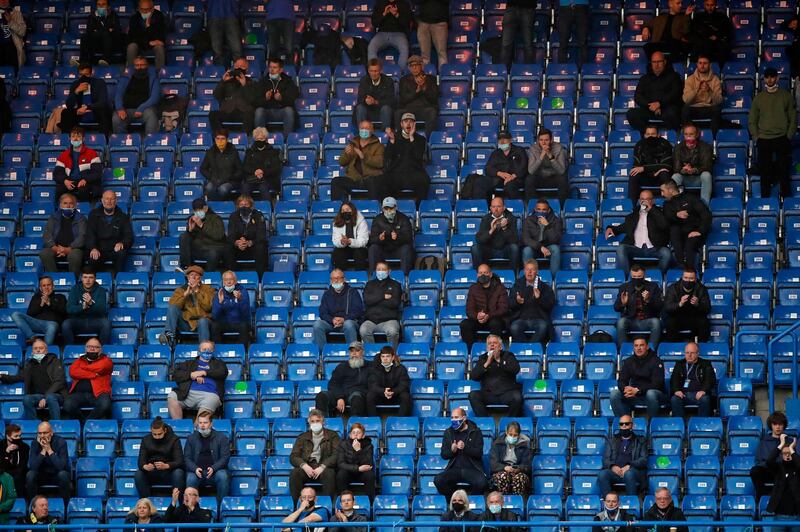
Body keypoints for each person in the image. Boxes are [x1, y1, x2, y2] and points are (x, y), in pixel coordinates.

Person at [748, 67, 797, 199]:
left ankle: (786, 200)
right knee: (765, 172)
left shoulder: (786, 96)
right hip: (764, 138)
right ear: (764, 79)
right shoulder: (759, 98)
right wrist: (756, 137)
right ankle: (766, 201)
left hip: (782, 138)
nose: (770, 79)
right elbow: (752, 120)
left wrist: (789, 136)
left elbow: (793, 118)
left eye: (772, 77)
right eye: (767, 77)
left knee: (784, 171)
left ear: (777, 78)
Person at [604, 190, 672, 273]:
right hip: (636, 248)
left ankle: (658, 276)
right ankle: (626, 277)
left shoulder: (659, 213)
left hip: (654, 248)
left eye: (647, 199)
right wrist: (610, 228)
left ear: (652, 201)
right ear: (639, 201)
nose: (644, 202)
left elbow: (664, 225)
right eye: (642, 199)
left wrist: (651, 209)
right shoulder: (633, 216)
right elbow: (623, 227)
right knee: (621, 248)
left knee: (666, 253)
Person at [0, 339, 66, 420]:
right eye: (35, 348)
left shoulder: (54, 361)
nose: (38, 350)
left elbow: (59, 382)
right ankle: (34, 425)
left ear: (46, 350)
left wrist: (45, 397)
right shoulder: (30, 364)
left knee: (50, 397)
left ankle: (56, 424)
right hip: (38, 396)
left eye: (41, 348)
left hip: (56, 395)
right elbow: (19, 377)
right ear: (32, 352)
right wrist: (2, 376)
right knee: (27, 399)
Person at [167, 341, 228, 419]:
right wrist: (191, 375)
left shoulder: (219, 363)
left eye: (209, 349)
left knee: (202, 420)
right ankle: (179, 426)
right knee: (172, 396)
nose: (207, 351)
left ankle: (198, 428)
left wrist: (204, 372)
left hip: (210, 395)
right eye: (204, 349)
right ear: (199, 351)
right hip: (187, 394)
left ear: (213, 351)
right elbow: (176, 374)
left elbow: (223, 372)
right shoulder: (189, 363)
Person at [434, 408, 487, 497]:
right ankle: (453, 499)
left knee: (482, 482)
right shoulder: (448, 432)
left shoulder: (476, 431)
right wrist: (452, 450)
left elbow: (478, 453)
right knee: (438, 480)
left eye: (456, 417)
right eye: (452, 418)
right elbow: (444, 455)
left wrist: (465, 448)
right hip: (454, 469)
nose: (454, 420)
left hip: (472, 469)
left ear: (464, 418)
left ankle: (470, 500)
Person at [626, 52, 684, 133]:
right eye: (654, 62)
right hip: (649, 108)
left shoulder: (674, 77)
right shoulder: (645, 78)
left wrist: (660, 104)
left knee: (673, 114)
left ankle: (670, 136)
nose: (656, 65)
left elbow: (675, 94)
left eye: (659, 62)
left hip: (667, 108)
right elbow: (638, 96)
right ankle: (647, 135)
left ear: (665, 62)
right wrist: (650, 105)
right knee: (631, 114)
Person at [289, 410, 340, 501]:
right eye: (312, 421)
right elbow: (293, 456)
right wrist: (304, 465)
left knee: (330, 473)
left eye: (318, 421)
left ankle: (327, 505)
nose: (315, 423)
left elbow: (337, 454)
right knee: (295, 473)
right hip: (308, 467)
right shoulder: (302, 437)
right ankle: (297, 505)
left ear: (323, 422)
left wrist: (323, 466)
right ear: (309, 422)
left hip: (324, 467)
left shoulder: (333, 435)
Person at [660, 179, 711, 271]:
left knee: (690, 245)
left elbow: (706, 214)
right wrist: (676, 215)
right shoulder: (667, 204)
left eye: (663, 191)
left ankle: (690, 272)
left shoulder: (691, 198)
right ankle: (681, 268)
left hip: (694, 231)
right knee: (674, 229)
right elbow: (666, 218)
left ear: (671, 190)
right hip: (677, 235)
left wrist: (699, 231)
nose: (662, 194)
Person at [159, 265, 215, 348]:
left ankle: (205, 349)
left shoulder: (208, 289)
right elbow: (173, 306)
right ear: (188, 277)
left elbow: (209, 307)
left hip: (204, 321)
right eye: (191, 275)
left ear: (200, 278)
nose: (193, 277)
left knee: (202, 321)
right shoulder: (180, 290)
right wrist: (185, 295)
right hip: (187, 322)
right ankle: (169, 335)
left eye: (196, 276)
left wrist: (197, 291)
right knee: (173, 307)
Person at [610, 337, 666, 418]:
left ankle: (651, 425)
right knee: (614, 394)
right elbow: (621, 381)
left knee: (651, 393)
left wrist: (638, 390)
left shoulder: (656, 361)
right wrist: (626, 389)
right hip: (634, 395)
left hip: (654, 395)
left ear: (647, 347)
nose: (638, 348)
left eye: (641, 345)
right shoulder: (629, 361)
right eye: (636, 346)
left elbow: (657, 384)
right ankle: (626, 423)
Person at [469, 335, 522, 417]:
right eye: (489, 343)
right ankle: (485, 422)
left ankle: (510, 424)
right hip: (489, 394)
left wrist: (498, 360)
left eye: (495, 343)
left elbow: (515, 369)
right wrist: (486, 364)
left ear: (500, 346)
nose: (492, 345)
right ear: (487, 347)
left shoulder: (508, 355)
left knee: (517, 397)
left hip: (506, 393)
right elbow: (474, 376)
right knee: (473, 395)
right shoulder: (483, 358)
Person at [460, 264, 510, 350]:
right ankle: (471, 351)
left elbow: (503, 308)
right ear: (477, 275)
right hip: (478, 320)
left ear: (490, 274)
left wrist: (488, 315)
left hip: (494, 319)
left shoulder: (500, 288)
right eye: (480, 273)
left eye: (485, 272)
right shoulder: (473, 288)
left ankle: (494, 352)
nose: (483, 275)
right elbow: (469, 310)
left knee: (495, 323)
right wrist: (477, 316)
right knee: (465, 324)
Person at [184, 410, 230, 502]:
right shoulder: (191, 438)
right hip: (196, 472)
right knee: (190, 478)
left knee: (223, 476)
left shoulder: (221, 437)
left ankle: (221, 507)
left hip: (214, 472)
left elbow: (225, 457)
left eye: (205, 422)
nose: (202, 425)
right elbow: (186, 458)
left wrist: (214, 468)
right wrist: (195, 469)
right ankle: (190, 508)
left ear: (211, 423)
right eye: (200, 423)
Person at [382, 113, 430, 203]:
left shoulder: (420, 139)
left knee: (424, 180)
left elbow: (418, 156)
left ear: (414, 124)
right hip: (397, 173)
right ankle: (389, 207)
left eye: (411, 121)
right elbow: (388, 156)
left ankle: (418, 209)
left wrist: (412, 137)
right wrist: (392, 141)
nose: (408, 124)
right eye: (405, 121)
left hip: (414, 173)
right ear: (401, 124)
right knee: (385, 180)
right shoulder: (394, 137)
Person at [63, 337, 113, 421]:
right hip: (79, 393)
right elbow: (73, 372)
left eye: (96, 347)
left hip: (99, 393)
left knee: (105, 404)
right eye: (89, 346)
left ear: (100, 350)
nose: (92, 349)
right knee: (68, 405)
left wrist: (82, 369)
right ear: (85, 349)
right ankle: (82, 421)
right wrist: (92, 374)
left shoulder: (106, 360)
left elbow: (101, 367)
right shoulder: (79, 360)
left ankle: (87, 423)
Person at [313, 269, 364, 350]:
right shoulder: (327, 294)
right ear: (331, 280)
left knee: (348, 324)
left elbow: (358, 311)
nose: (336, 281)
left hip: (348, 321)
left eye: (338, 278)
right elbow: (323, 312)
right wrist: (332, 320)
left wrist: (344, 319)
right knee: (317, 325)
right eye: (334, 278)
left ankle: (353, 352)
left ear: (343, 279)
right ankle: (322, 354)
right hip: (332, 323)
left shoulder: (353, 292)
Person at [598, 415, 647, 497]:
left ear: (632, 425)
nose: (624, 426)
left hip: (633, 471)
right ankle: (609, 501)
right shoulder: (612, 440)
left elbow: (644, 460)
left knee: (629, 474)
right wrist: (613, 466)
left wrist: (629, 466)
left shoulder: (640, 440)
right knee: (603, 474)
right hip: (615, 472)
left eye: (627, 423)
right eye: (621, 424)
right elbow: (605, 459)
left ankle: (631, 502)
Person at [614, 265, 663, 347]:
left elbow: (659, 307)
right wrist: (623, 304)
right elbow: (616, 308)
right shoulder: (624, 287)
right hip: (631, 320)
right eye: (634, 277)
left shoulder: (653, 287)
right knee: (621, 322)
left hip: (647, 320)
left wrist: (648, 300)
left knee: (656, 322)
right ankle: (624, 349)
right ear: (631, 276)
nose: (636, 279)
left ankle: (651, 349)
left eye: (639, 276)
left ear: (644, 276)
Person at [316, 341, 369, 417]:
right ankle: (323, 426)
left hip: (358, 395)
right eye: (351, 351)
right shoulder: (342, 366)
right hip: (341, 394)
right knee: (321, 396)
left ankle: (355, 427)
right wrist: (339, 397)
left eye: (357, 351)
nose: (354, 354)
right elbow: (333, 384)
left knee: (356, 397)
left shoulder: (370, 366)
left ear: (362, 352)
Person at [334, 120, 384, 200]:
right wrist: (346, 154)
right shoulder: (352, 144)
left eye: (367, 128)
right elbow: (342, 162)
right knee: (336, 182)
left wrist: (363, 156)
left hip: (370, 178)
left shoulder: (379, 146)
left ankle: (373, 207)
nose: (364, 130)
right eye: (362, 128)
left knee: (374, 182)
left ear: (372, 130)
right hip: (353, 178)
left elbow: (380, 162)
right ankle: (341, 208)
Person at [135, 416, 185, 497]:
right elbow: (140, 461)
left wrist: (166, 466)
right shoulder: (145, 440)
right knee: (139, 474)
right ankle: (146, 502)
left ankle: (179, 502)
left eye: (159, 434)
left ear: (165, 430)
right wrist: (145, 466)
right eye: (154, 434)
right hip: (152, 472)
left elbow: (180, 461)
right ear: (151, 431)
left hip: (169, 472)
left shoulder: (174, 439)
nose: (157, 437)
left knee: (178, 473)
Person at [86, 190, 133, 274]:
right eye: (107, 199)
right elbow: (90, 234)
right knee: (92, 256)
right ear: (102, 200)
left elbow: (128, 235)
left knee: (121, 253)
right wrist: (93, 248)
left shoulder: (123, 217)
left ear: (116, 201)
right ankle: (95, 282)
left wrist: (122, 243)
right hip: (98, 249)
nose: (109, 201)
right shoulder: (93, 215)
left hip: (114, 250)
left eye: (112, 199)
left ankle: (118, 280)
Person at [508, 259, 555, 345]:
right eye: (527, 269)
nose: (529, 272)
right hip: (520, 319)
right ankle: (525, 347)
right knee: (514, 327)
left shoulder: (545, 287)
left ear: (537, 271)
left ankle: (531, 347)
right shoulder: (517, 285)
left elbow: (549, 305)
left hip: (538, 319)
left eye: (532, 269)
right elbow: (509, 304)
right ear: (524, 271)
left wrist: (539, 298)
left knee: (543, 327)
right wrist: (517, 301)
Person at [40, 194, 86, 277]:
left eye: (71, 203)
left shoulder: (81, 218)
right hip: (56, 248)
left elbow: (82, 237)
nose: (68, 206)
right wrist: (54, 248)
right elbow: (47, 234)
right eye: (65, 203)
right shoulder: (53, 217)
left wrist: (68, 249)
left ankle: (72, 280)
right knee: (44, 253)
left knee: (75, 256)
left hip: (74, 249)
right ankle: (54, 279)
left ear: (75, 205)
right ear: (60, 205)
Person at [11, 277, 67, 346]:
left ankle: (45, 351)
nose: (46, 287)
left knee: (52, 325)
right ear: (40, 288)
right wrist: (41, 304)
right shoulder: (36, 297)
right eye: (44, 285)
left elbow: (65, 312)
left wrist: (50, 303)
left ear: (53, 286)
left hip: (52, 324)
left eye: (48, 285)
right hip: (37, 323)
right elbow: (30, 313)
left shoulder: (60, 297)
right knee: (15, 314)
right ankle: (33, 338)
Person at [179, 198, 230, 273]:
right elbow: (190, 238)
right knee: (184, 236)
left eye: (199, 209)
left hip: (213, 247)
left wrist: (201, 225)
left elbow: (218, 235)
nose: (197, 212)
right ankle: (186, 268)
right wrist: (190, 230)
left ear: (205, 208)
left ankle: (208, 275)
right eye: (195, 210)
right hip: (199, 249)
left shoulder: (216, 218)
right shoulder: (193, 219)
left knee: (213, 253)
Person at [59, 63, 112, 135]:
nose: (83, 77)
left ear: (91, 74)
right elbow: (69, 105)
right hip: (80, 111)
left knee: (105, 111)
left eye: (86, 75)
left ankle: (104, 140)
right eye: (81, 75)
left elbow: (102, 102)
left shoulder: (99, 83)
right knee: (65, 113)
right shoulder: (75, 84)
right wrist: (76, 91)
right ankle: (68, 140)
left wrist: (87, 107)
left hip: (94, 110)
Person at [53, 127, 103, 203]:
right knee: (59, 189)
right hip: (69, 181)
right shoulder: (64, 155)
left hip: (85, 182)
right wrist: (65, 181)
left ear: (83, 139)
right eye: (73, 136)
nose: (75, 139)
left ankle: (84, 210)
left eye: (78, 136)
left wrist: (85, 179)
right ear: (70, 138)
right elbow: (57, 173)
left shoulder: (92, 153)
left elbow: (97, 173)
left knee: (83, 190)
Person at [210, 57, 259, 134]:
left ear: (246, 69)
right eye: (237, 66)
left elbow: (252, 100)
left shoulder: (252, 83)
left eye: (242, 67)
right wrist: (223, 81)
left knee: (250, 113)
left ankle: (244, 138)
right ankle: (219, 137)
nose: (239, 68)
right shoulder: (227, 81)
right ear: (234, 67)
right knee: (213, 114)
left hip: (243, 112)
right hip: (228, 111)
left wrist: (244, 85)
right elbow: (216, 95)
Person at [751, 411, 793, 501]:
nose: (777, 427)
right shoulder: (764, 442)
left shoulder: (790, 441)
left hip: (783, 471)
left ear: (784, 425)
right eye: (775, 424)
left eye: (780, 424)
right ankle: (761, 497)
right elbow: (758, 461)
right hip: (768, 470)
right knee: (755, 471)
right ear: (771, 425)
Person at [112, 56, 160, 134]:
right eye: (137, 65)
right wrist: (120, 108)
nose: (140, 67)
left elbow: (155, 98)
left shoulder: (154, 79)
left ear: (147, 65)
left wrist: (141, 108)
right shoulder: (125, 78)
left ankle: (151, 141)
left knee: (151, 114)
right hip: (127, 109)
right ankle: (121, 143)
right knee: (116, 118)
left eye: (142, 65)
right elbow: (118, 95)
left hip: (145, 109)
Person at [472, 196, 520, 273]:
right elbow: (479, 240)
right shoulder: (486, 219)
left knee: (514, 247)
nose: (496, 209)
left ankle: (513, 275)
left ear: (504, 208)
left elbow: (514, 240)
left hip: (505, 250)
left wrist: (504, 228)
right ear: (490, 208)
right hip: (490, 250)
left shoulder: (511, 218)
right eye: (493, 207)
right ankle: (479, 275)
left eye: (498, 206)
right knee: (475, 248)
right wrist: (491, 230)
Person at [62, 269, 111, 344]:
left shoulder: (101, 290)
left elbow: (102, 310)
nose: (88, 280)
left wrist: (91, 303)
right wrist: (83, 307)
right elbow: (69, 309)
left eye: (90, 277)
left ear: (95, 279)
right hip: (78, 321)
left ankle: (102, 350)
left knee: (106, 323)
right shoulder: (75, 289)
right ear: (82, 278)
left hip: (95, 321)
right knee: (66, 324)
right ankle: (70, 349)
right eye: (85, 277)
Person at [476, 130, 527, 201]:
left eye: (504, 139)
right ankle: (486, 208)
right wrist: (499, 173)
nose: (502, 142)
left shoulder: (519, 150)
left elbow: (524, 167)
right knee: (481, 181)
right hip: (499, 179)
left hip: (516, 179)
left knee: (510, 185)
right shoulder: (496, 153)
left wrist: (512, 176)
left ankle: (516, 208)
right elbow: (488, 168)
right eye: (500, 139)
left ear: (510, 140)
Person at [368, 197, 414, 274]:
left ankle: (405, 276)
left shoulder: (404, 219)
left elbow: (408, 238)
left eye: (391, 208)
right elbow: (372, 239)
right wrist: (379, 238)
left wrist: (397, 237)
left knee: (406, 249)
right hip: (383, 248)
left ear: (395, 207)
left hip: (398, 249)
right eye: (386, 208)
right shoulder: (377, 219)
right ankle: (373, 276)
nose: (388, 211)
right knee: (373, 248)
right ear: (382, 209)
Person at [668, 341, 716, 418]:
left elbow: (710, 380)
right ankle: (680, 424)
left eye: (692, 353)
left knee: (705, 398)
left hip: (698, 394)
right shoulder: (679, 364)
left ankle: (703, 423)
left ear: (698, 353)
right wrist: (676, 390)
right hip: (683, 394)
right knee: (675, 399)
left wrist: (703, 390)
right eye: (687, 353)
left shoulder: (705, 364)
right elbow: (674, 380)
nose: (689, 355)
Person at [254, 57, 299, 137]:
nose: (271, 70)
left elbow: (292, 98)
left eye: (274, 67)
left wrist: (282, 98)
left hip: (281, 110)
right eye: (270, 67)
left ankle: (287, 139)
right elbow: (255, 101)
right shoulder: (263, 81)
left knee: (289, 111)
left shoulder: (288, 81)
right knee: (259, 111)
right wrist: (265, 98)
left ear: (281, 70)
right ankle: (259, 138)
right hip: (267, 110)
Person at [670, 122, 714, 205]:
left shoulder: (705, 147)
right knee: (675, 176)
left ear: (697, 135)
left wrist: (694, 170)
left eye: (691, 134)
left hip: (698, 177)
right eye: (686, 134)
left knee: (706, 175)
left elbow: (707, 166)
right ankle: (676, 205)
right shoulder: (678, 148)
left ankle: (704, 205)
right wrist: (684, 170)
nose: (688, 136)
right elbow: (676, 168)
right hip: (684, 177)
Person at [360, 262, 403, 347]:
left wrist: (375, 299)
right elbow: (367, 300)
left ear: (389, 271)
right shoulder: (369, 284)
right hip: (371, 320)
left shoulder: (395, 285)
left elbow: (394, 303)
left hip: (389, 320)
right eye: (378, 269)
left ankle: (392, 356)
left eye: (383, 269)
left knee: (393, 331)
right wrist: (383, 296)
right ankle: (372, 353)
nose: (381, 271)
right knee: (363, 330)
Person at [25, 422, 70, 501]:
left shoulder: (61, 442)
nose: (42, 436)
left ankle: (65, 506)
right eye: (40, 433)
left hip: (56, 475)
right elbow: (33, 467)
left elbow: (61, 467)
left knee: (63, 475)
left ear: (51, 432)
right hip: (41, 475)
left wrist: (49, 449)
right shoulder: (35, 443)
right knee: (30, 474)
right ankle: (32, 505)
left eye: (45, 433)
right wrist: (43, 451)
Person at [663, 268, 711, 342]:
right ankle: (673, 348)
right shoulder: (673, 288)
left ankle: (702, 347)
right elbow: (667, 307)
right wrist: (679, 304)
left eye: (691, 278)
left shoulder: (701, 289)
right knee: (670, 322)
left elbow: (707, 308)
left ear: (695, 279)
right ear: (682, 278)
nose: (688, 281)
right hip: (678, 317)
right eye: (686, 278)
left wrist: (698, 304)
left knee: (704, 322)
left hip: (694, 317)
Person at [396, 55, 439, 136]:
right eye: (412, 66)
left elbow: (434, 98)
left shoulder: (430, 79)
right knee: (398, 113)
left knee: (432, 112)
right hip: (409, 109)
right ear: (409, 68)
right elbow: (403, 99)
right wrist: (416, 91)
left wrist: (424, 88)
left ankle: (429, 141)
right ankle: (400, 140)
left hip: (425, 108)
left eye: (417, 65)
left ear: (422, 66)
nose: (414, 68)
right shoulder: (404, 80)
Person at [227, 194, 269, 277]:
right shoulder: (233, 216)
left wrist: (249, 242)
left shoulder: (258, 215)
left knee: (261, 246)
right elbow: (231, 234)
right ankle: (230, 277)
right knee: (227, 247)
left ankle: (260, 278)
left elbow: (261, 235)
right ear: (238, 206)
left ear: (251, 206)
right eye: (241, 205)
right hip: (238, 247)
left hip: (253, 246)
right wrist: (237, 242)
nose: (243, 207)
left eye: (246, 205)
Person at [628, 125, 674, 201]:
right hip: (646, 176)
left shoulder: (665, 144)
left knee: (664, 173)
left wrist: (644, 168)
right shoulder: (639, 145)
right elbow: (636, 166)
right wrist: (652, 173)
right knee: (634, 174)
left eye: (653, 134)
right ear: (644, 135)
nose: (650, 136)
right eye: (648, 134)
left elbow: (667, 165)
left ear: (658, 135)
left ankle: (670, 203)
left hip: (660, 176)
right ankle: (631, 207)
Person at [526, 128, 570, 206]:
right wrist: (541, 157)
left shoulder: (558, 148)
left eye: (546, 140)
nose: (544, 142)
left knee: (563, 178)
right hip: (539, 177)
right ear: (538, 140)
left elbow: (561, 170)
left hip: (554, 177)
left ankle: (561, 207)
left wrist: (550, 156)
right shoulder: (533, 149)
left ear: (551, 140)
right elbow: (531, 170)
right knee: (529, 179)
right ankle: (533, 206)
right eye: (541, 140)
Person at [520, 199, 562, 278]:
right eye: (539, 209)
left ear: (548, 210)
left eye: (544, 210)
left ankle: (553, 279)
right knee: (526, 250)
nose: (541, 212)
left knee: (556, 249)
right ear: (535, 209)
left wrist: (547, 226)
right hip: (534, 247)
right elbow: (526, 239)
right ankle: (527, 277)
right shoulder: (528, 220)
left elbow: (556, 240)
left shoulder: (556, 220)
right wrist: (540, 247)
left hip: (549, 246)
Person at [682, 56, 724, 134]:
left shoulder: (715, 80)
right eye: (700, 63)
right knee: (685, 109)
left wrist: (709, 91)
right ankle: (691, 134)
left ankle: (713, 136)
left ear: (710, 65)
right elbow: (686, 100)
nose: (702, 65)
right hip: (694, 108)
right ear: (697, 64)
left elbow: (718, 101)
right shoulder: (690, 79)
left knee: (717, 110)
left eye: (705, 63)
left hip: (709, 107)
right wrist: (696, 89)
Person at [765, 437, 800, 531]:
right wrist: (781, 444)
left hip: (797, 517)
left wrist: (792, 449)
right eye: (785, 453)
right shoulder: (778, 468)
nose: (787, 455)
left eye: (790, 453)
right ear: (781, 455)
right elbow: (769, 461)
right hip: (779, 516)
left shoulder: (797, 468)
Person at [488, 421, 531, 496]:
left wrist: (518, 469)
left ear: (519, 435)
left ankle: (517, 502)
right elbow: (493, 464)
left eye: (515, 435)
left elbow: (527, 465)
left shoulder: (523, 446)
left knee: (520, 478)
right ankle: (503, 500)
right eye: (510, 434)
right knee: (503, 476)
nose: (512, 437)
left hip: (518, 471)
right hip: (501, 470)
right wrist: (504, 468)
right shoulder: (497, 444)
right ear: (506, 432)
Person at [366, 346, 411, 416]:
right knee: (370, 395)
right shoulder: (375, 368)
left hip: (395, 396)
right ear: (380, 358)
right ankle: (374, 421)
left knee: (405, 396)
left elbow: (404, 385)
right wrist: (383, 391)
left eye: (388, 356)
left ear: (393, 357)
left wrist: (393, 392)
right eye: (383, 357)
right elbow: (373, 385)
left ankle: (401, 420)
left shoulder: (401, 368)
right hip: (381, 395)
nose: (385, 359)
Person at [241, 127, 282, 202]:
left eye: (262, 139)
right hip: (252, 178)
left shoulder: (273, 152)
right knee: (245, 187)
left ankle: (268, 208)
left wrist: (263, 171)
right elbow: (245, 167)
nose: (259, 141)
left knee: (263, 187)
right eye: (257, 139)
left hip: (267, 179)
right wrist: (255, 171)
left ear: (266, 139)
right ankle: (244, 208)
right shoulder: (250, 152)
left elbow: (276, 168)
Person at [200, 128, 243, 200]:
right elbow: (203, 168)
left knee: (223, 189)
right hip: (215, 179)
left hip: (230, 181)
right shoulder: (210, 152)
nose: (220, 141)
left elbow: (240, 170)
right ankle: (217, 205)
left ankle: (218, 205)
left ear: (227, 139)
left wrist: (230, 177)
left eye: (223, 138)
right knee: (208, 188)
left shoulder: (233, 152)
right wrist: (211, 177)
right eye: (218, 138)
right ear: (215, 139)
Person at [336, 423, 375, 500]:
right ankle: (342, 500)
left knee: (370, 475)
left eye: (358, 433)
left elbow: (368, 464)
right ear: (350, 435)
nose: (356, 435)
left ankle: (370, 502)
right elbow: (341, 463)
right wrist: (357, 468)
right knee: (341, 474)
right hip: (349, 472)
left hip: (362, 473)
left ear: (363, 435)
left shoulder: (369, 445)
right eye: (353, 433)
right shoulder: (343, 444)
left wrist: (358, 450)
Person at [368, 0, 412, 69]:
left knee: (404, 49)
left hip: (399, 33)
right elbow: (374, 23)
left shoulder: (404, 4)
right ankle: (374, 72)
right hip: (382, 33)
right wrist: (384, 14)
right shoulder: (380, 3)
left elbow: (406, 23)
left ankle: (401, 74)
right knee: (371, 47)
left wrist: (396, 14)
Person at [211, 270, 251, 345]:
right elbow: (214, 316)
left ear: (235, 281)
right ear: (223, 282)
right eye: (226, 280)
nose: (228, 282)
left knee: (244, 326)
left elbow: (246, 313)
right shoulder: (219, 293)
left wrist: (240, 299)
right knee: (214, 325)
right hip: (224, 323)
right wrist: (220, 303)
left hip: (239, 322)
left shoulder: (242, 291)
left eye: (231, 279)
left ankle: (243, 351)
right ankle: (218, 350)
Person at [77, 0, 122, 66]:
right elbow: (89, 31)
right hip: (96, 43)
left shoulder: (113, 16)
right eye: (99, 4)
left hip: (110, 44)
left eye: (103, 4)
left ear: (108, 6)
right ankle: (83, 62)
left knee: (106, 35)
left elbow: (117, 31)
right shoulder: (91, 16)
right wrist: (107, 30)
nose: (101, 6)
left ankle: (105, 60)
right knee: (84, 37)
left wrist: (99, 31)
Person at [355, 58, 396, 129]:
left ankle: (386, 134)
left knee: (386, 108)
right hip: (368, 110)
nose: (373, 73)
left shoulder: (388, 81)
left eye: (376, 71)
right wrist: (366, 101)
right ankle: (362, 132)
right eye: (371, 71)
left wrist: (375, 102)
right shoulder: (364, 81)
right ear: (368, 71)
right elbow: (360, 99)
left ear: (380, 70)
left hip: (382, 110)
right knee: (360, 108)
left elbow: (391, 101)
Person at [688, 0, 732, 66]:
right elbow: (694, 31)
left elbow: (727, 31)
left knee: (723, 48)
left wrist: (717, 36)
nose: (710, 7)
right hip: (703, 41)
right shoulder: (698, 17)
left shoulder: (722, 16)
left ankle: (721, 70)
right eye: (707, 5)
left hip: (718, 41)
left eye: (712, 5)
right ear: (704, 5)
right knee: (696, 47)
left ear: (715, 5)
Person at [126, 0, 166, 69]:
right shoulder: (134, 18)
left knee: (159, 48)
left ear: (152, 9)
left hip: (153, 45)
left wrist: (148, 27)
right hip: (140, 44)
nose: (144, 12)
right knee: (131, 47)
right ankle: (131, 72)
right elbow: (132, 37)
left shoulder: (159, 17)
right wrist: (148, 42)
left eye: (147, 10)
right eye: (142, 10)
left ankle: (160, 74)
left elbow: (160, 36)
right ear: (138, 9)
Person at [332, 201, 370, 271]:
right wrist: (342, 242)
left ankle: (359, 276)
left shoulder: (361, 220)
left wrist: (349, 241)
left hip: (358, 247)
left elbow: (363, 241)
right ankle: (340, 276)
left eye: (347, 210)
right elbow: (335, 240)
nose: (345, 212)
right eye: (343, 210)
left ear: (353, 211)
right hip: (344, 247)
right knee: (337, 252)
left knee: (359, 253)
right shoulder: (336, 222)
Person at [500, 0, 536, 66]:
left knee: (528, 45)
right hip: (511, 8)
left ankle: (529, 72)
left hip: (528, 8)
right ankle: (503, 73)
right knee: (506, 45)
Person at [207, 0, 242, 67]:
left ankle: (238, 73)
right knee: (217, 50)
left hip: (231, 13)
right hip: (214, 13)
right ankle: (219, 73)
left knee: (236, 49)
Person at [416, 0, 448, 69]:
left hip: (440, 22)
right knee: (424, 55)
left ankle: (443, 76)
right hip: (423, 22)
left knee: (441, 52)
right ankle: (425, 78)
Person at [0, 424, 29, 497]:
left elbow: (22, 467)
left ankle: (21, 501)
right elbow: (1, 467)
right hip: (4, 473)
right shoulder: (1, 446)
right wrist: (7, 452)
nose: (19, 438)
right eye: (16, 436)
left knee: (18, 477)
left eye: (20, 435)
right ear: (8, 436)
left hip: (18, 474)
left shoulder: (25, 447)